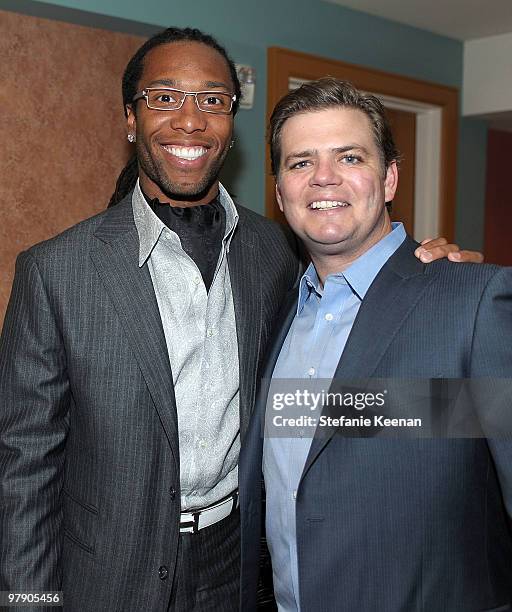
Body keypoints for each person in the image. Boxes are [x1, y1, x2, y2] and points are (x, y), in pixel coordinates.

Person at [0, 27, 480, 612]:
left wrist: (434, 281)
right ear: (130, 118)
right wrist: (30, 602)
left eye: (212, 100)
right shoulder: (56, 271)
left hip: (241, 564)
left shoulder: (276, 252)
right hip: (107, 571)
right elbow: (24, 466)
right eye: (164, 97)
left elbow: (323, 393)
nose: (189, 120)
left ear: (232, 122)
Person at [239, 78, 512, 612]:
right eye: (300, 163)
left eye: (349, 157)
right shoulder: (274, 311)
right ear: (279, 194)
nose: (323, 178)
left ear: (388, 179)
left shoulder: (475, 302)